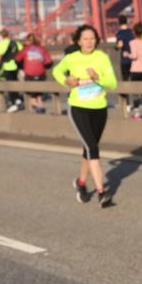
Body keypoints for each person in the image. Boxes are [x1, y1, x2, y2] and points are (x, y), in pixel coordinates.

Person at [52, 24, 118, 207]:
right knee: (92, 149)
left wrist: (98, 78)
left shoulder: (102, 57)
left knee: (89, 149)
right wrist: (66, 80)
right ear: (79, 41)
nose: (89, 42)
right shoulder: (71, 58)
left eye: (92, 38)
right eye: (85, 39)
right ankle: (101, 193)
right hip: (78, 108)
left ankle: (81, 183)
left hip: (99, 108)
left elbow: (112, 83)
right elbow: (56, 71)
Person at [16, 33, 53, 113]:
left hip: (29, 74)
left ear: (28, 41)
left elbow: (17, 59)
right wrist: (42, 66)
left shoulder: (25, 49)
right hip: (41, 74)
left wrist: (22, 67)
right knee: (38, 93)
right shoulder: (42, 49)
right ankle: (40, 106)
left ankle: (37, 108)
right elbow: (49, 62)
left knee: (30, 94)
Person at [0, 29, 24, 112]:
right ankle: (18, 99)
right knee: (16, 82)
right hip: (16, 66)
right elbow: (21, 53)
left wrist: (0, 65)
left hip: (6, 67)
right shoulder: (16, 43)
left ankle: (14, 102)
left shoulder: (0, 44)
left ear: (1, 36)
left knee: (9, 85)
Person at [114, 17, 135, 113]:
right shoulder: (131, 32)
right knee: (134, 81)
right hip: (133, 59)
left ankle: (127, 104)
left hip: (125, 60)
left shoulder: (120, 33)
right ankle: (137, 102)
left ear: (119, 23)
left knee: (125, 82)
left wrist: (116, 47)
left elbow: (120, 44)